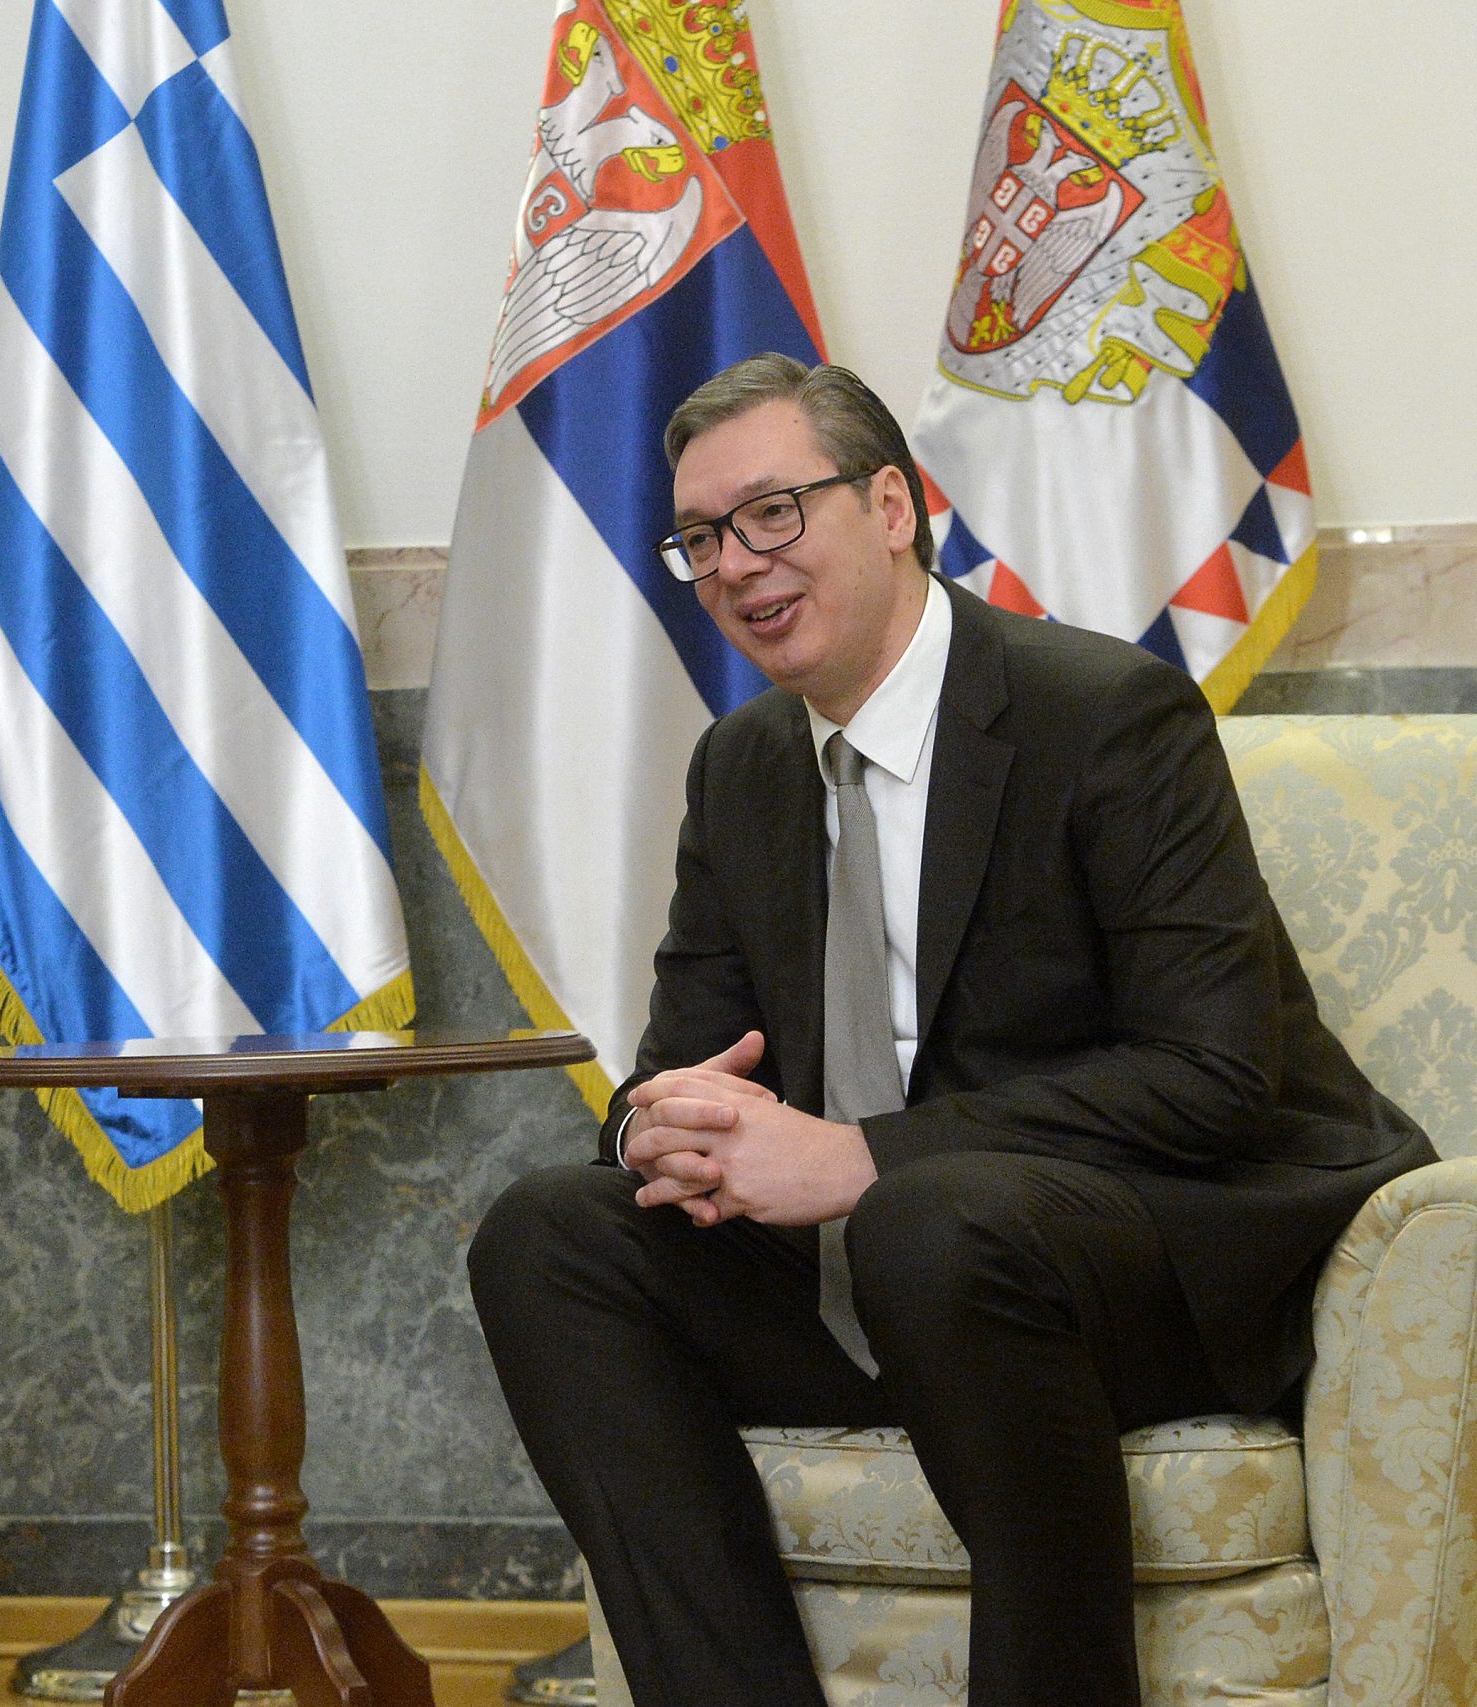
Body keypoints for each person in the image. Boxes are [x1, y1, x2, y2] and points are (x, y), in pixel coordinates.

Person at [465, 354, 1433, 1707]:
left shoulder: (1103, 716)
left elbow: (1214, 1075)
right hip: (899, 1274)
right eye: (699, 538)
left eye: (772, 514)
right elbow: (684, 1058)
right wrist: (656, 1123)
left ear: (891, 506)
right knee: (550, 1232)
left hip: (1148, 1259)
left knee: (935, 1218)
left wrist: (860, 1157)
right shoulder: (742, 768)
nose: (737, 565)